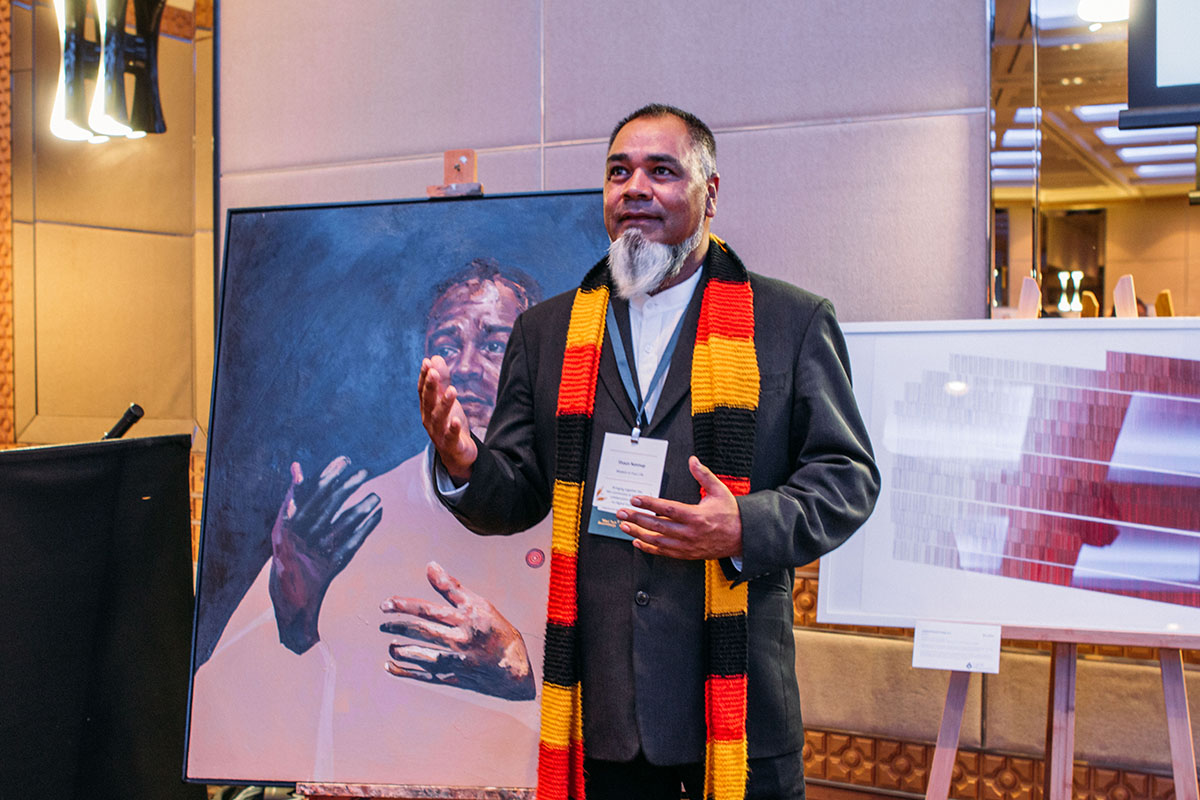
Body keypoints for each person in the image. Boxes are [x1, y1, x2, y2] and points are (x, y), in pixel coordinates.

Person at [419, 105, 881, 800]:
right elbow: (515, 493)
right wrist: (463, 463)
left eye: (661, 171)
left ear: (710, 192)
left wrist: (743, 527)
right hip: (600, 715)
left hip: (733, 712)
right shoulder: (548, 332)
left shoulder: (789, 322)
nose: (635, 188)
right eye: (618, 172)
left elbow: (848, 478)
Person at [189, 260, 552, 786]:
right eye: (448, 347)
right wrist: (293, 615)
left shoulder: (576, 506)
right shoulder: (357, 515)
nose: (467, 366)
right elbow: (220, 715)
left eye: (495, 346)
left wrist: (520, 676)